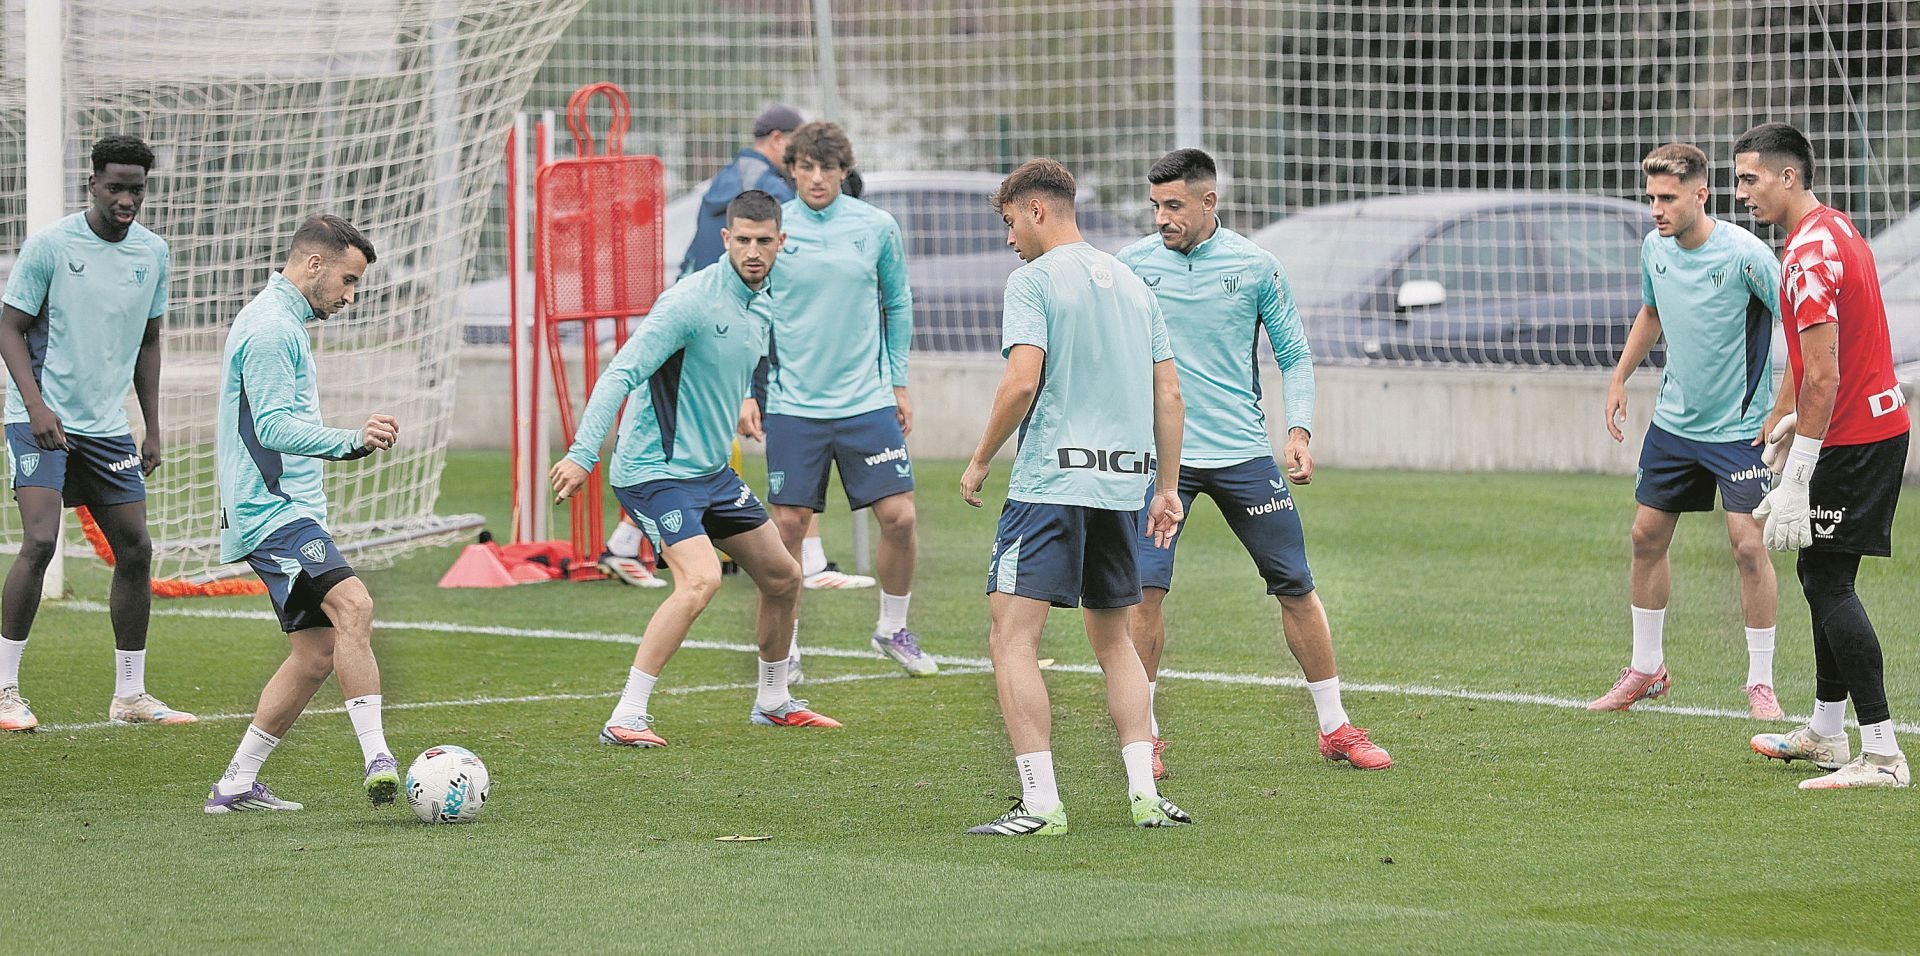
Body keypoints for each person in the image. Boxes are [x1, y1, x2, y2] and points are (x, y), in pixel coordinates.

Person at [1118, 149, 1389, 778]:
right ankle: (1144, 735)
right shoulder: (1131, 268)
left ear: (1209, 202)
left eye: (1174, 206)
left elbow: (1294, 353)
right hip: (1164, 462)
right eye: (1155, 206)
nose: (1162, 218)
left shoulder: (1256, 266)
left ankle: (1335, 727)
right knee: (1145, 592)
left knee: (1296, 586)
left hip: (1243, 454)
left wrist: (1298, 429)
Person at [552, 190, 838, 750]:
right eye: (743, 241)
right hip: (653, 470)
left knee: (784, 577)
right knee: (701, 578)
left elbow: (751, 358)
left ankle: (775, 700)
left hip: (710, 473)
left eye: (764, 241)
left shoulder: (766, 298)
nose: (754, 252)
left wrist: (749, 400)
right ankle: (626, 715)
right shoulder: (689, 301)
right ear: (726, 239)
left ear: (781, 243)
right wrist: (583, 454)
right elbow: (620, 374)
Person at [960, 158, 1191, 835]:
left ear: (1037, 211)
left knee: (1011, 638)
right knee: (1115, 641)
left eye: (1009, 223)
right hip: (1122, 486)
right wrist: (1167, 488)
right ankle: (1144, 795)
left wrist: (978, 461)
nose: (1008, 240)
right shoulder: (1132, 282)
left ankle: (1041, 804)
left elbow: (1020, 384)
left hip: (1049, 487)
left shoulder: (1032, 281)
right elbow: (1170, 394)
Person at [204, 215, 401, 813]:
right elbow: (271, 426)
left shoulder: (284, 321)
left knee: (315, 653)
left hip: (285, 509)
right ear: (313, 265)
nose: (350, 296)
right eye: (347, 280)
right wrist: (350, 439)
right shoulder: (269, 328)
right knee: (355, 606)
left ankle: (236, 783)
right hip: (272, 510)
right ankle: (379, 759)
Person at [1737, 123, 1911, 789]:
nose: (1741, 191)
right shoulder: (1832, 228)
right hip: (1869, 428)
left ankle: (1886, 755)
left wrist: (1799, 475)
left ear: (1789, 177)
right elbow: (1808, 361)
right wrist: (1782, 419)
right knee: (1821, 573)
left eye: (1751, 178)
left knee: (1828, 583)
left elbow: (1824, 375)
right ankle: (1828, 733)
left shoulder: (1809, 255)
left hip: (1856, 439)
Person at [0, 135, 191, 732]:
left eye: (136, 188)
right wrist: (35, 408)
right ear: (93, 185)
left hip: (107, 425)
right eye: (115, 187)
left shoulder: (153, 253)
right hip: (41, 416)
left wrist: (152, 424)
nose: (126, 198)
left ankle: (130, 696)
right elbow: (9, 328)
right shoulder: (52, 246)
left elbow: (150, 339)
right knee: (39, 540)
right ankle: (4, 690)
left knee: (135, 547)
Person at [1592, 142, 1785, 720]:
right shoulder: (1655, 248)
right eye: (1651, 197)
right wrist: (1620, 378)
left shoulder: (1748, 255)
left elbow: (1803, 324)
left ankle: (1760, 684)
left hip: (1740, 430)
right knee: (1645, 538)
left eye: (1668, 198)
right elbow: (1651, 312)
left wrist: (1782, 410)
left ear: (1701, 194)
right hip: (1674, 425)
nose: (1656, 209)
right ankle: (1647, 669)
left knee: (1749, 546)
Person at [737, 121, 932, 681]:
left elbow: (898, 304)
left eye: (827, 167)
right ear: (790, 170)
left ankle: (893, 628)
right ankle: (787, 646)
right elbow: (751, 311)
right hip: (794, 404)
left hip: (866, 401)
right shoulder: (774, 229)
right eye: (805, 167)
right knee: (790, 526)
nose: (816, 178)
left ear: (844, 171)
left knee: (899, 517)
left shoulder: (875, 227)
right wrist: (748, 393)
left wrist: (897, 383)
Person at [649, 102, 870, 592]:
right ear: (778, 143)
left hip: (697, 313)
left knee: (687, 432)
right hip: (724, 319)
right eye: (799, 159)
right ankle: (800, 556)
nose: (806, 174)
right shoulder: (771, 195)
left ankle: (628, 543)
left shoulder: (725, 180)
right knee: (776, 433)